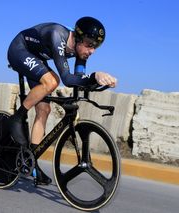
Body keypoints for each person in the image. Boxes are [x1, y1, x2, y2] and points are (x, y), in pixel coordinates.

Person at [7, 16, 117, 185]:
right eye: (89, 44)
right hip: (20, 49)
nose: (92, 50)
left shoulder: (81, 52)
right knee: (52, 81)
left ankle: (32, 163)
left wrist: (97, 82)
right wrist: (95, 75)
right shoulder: (57, 35)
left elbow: (78, 78)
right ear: (78, 38)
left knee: (44, 110)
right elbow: (66, 78)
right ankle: (18, 116)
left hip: (37, 57)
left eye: (95, 46)